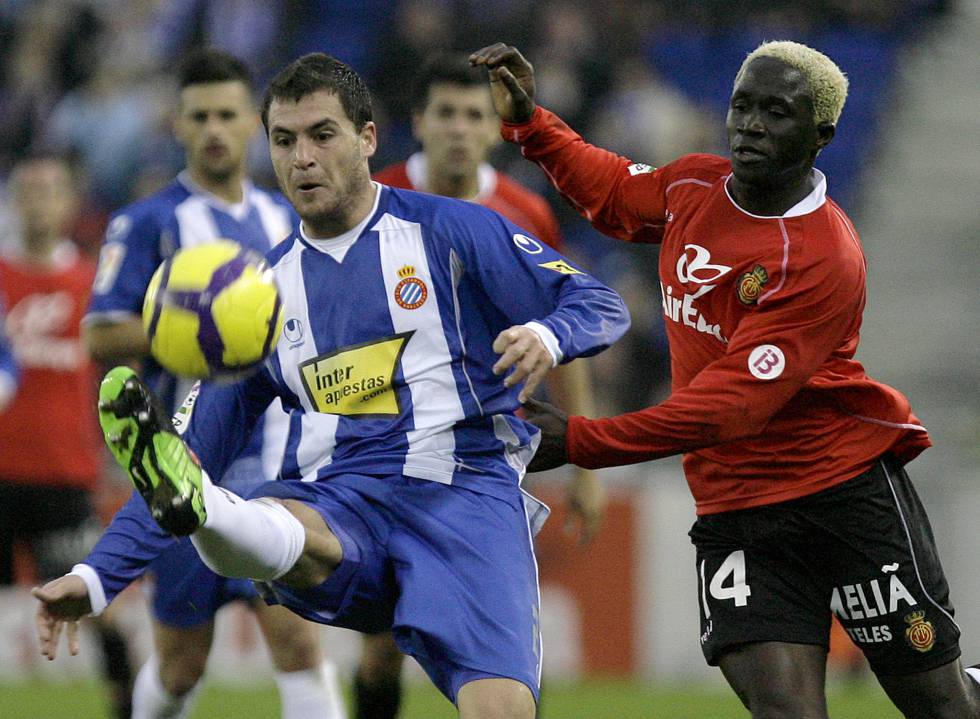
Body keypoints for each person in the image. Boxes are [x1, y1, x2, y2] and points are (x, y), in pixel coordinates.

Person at [34, 52, 630, 719]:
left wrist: (546, 337)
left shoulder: (451, 230)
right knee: (257, 510)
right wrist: (94, 576)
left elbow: (599, 304)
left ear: (368, 138)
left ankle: (214, 513)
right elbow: (179, 456)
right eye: (284, 141)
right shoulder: (261, 296)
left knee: (503, 710)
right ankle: (208, 512)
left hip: (467, 495)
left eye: (322, 134)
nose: (302, 158)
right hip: (351, 500)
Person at [469, 41, 980, 719]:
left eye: (777, 111)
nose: (752, 123)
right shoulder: (695, 186)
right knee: (785, 710)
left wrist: (587, 439)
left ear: (821, 135)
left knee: (941, 706)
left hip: (843, 497)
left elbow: (727, 407)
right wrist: (533, 124)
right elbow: (615, 189)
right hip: (738, 511)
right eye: (743, 105)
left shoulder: (824, 256)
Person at [35, 49, 347, 719]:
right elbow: (99, 334)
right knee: (180, 664)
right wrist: (199, 327)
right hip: (185, 463)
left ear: (252, 126)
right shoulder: (147, 221)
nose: (214, 129)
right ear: (178, 124)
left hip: (279, 465)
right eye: (199, 115)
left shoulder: (284, 215)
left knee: (297, 640)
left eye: (228, 115)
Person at [363, 53, 605, 719]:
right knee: (380, 646)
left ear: (498, 129)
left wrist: (584, 457)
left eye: (475, 115)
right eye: (445, 113)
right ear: (418, 122)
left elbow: (567, 330)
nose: (459, 129)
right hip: (384, 451)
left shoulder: (525, 212)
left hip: (485, 458)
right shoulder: (373, 200)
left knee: (499, 646)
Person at [0, 154, 135, 718]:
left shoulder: (91, 283)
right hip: (0, 471)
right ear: (12, 200)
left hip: (64, 472)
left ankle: (127, 706)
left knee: (99, 607)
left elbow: (121, 377)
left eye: (50, 189)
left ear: (69, 204)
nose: (38, 201)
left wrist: (122, 454)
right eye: (27, 189)